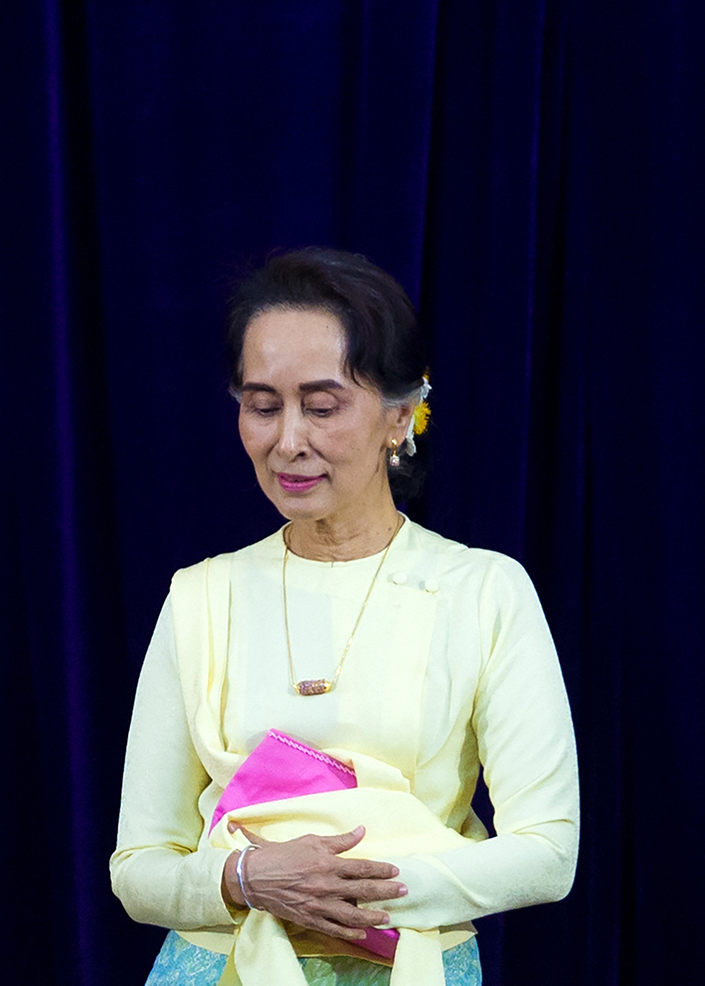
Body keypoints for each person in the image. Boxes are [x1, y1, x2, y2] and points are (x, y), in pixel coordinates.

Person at [109, 248, 579, 986]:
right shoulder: (201, 597)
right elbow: (138, 868)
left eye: (322, 407)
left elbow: (549, 853)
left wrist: (357, 891)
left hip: (410, 966)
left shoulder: (482, 590)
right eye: (262, 406)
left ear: (400, 415)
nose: (287, 440)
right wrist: (245, 879)